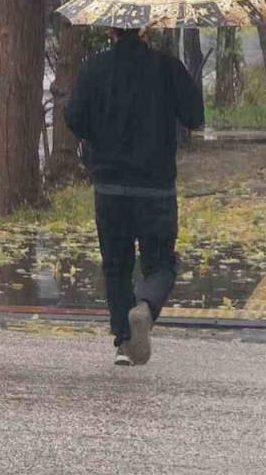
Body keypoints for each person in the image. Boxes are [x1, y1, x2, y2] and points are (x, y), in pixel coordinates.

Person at [64, 27, 205, 366]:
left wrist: (102, 134)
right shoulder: (167, 67)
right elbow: (195, 118)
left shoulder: (93, 68)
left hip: (110, 187)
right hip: (155, 187)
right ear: (145, 30)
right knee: (161, 262)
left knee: (116, 265)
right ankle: (144, 305)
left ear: (111, 29)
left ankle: (123, 343)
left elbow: (74, 119)